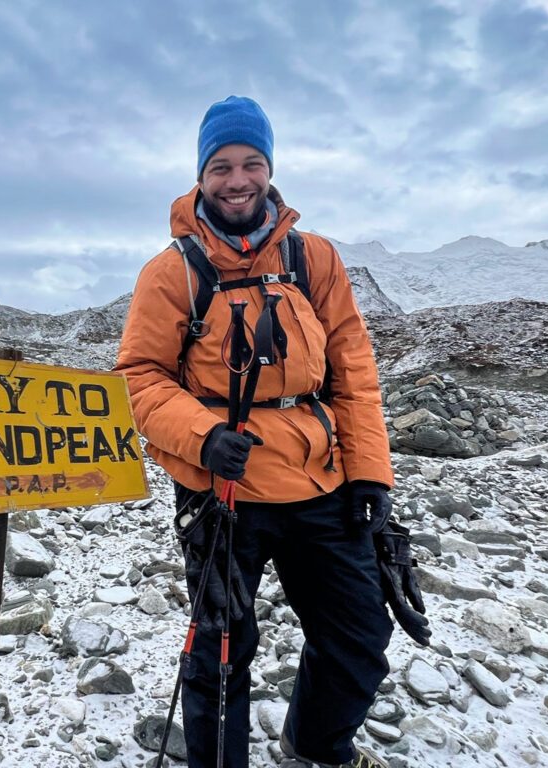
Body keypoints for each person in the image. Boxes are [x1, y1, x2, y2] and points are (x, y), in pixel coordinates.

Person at [115, 96, 423, 768]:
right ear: (201, 175)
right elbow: (139, 377)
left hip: (322, 478)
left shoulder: (314, 259)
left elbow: (353, 370)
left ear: (270, 169)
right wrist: (201, 436)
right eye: (221, 165)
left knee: (360, 634)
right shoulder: (172, 272)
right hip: (223, 489)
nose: (237, 179)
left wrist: (372, 473)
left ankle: (315, 747)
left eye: (251, 163)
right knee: (221, 651)